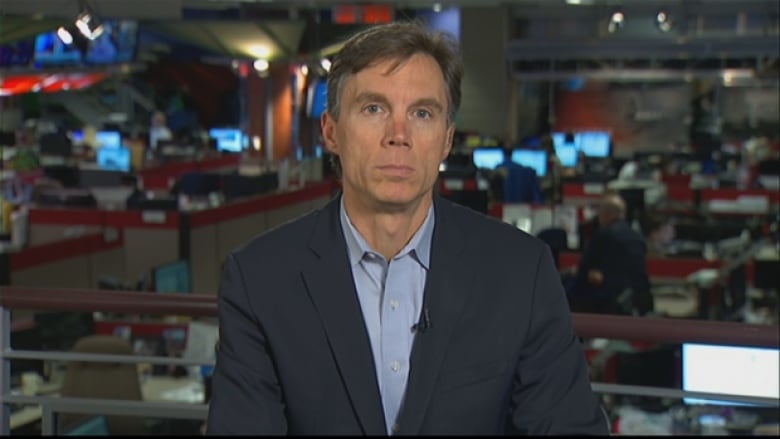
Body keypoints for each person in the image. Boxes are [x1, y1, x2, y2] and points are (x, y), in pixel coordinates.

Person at [206, 21, 607, 436]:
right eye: (374, 108)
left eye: (422, 113)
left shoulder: (521, 271)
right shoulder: (259, 279)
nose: (398, 136)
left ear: (447, 139)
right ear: (331, 132)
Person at [568, 192, 651, 316]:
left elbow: (584, 270)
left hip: (604, 299)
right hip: (636, 298)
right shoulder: (638, 238)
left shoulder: (603, 236)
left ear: (606, 213)